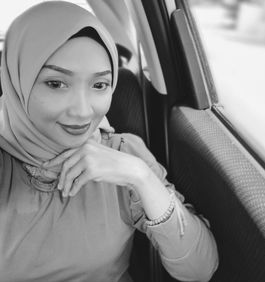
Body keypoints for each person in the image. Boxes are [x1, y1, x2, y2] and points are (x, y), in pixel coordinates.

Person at [0, 1, 218, 282]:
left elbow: (199, 270)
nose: (82, 111)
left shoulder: (122, 154)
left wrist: (140, 177)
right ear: (16, 81)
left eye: (99, 85)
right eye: (56, 84)